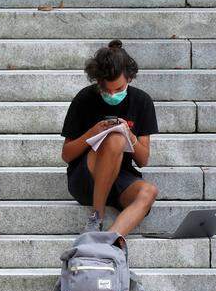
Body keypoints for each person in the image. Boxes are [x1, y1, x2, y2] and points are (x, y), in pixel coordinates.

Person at [60, 40, 159, 235]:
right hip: (87, 177)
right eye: (106, 90)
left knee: (149, 192)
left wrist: (129, 134)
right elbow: (66, 155)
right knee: (115, 139)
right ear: (98, 82)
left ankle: (110, 239)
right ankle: (97, 216)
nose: (112, 94)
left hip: (121, 177)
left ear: (129, 79)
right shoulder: (85, 98)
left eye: (118, 89)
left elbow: (143, 159)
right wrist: (93, 132)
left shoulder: (142, 101)